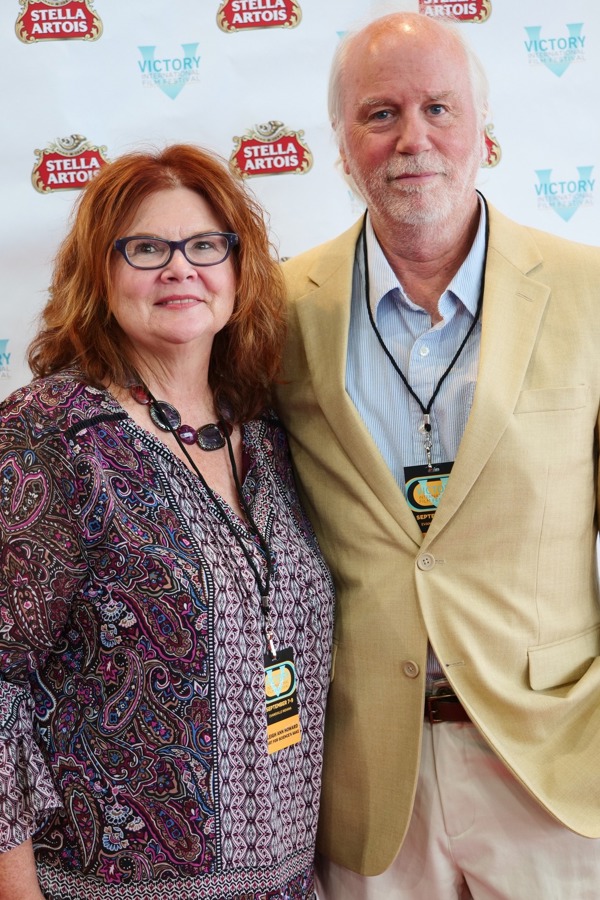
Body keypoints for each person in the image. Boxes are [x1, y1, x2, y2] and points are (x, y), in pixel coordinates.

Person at [275, 11, 600, 899]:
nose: (412, 138)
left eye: (439, 109)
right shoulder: (277, 309)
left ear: (484, 131)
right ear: (342, 144)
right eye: (380, 114)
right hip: (367, 779)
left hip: (554, 763)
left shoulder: (590, 292)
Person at [0, 143, 334, 900]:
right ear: (99, 274)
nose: (180, 269)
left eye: (205, 246)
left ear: (239, 270)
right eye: (146, 249)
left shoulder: (268, 434)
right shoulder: (51, 436)